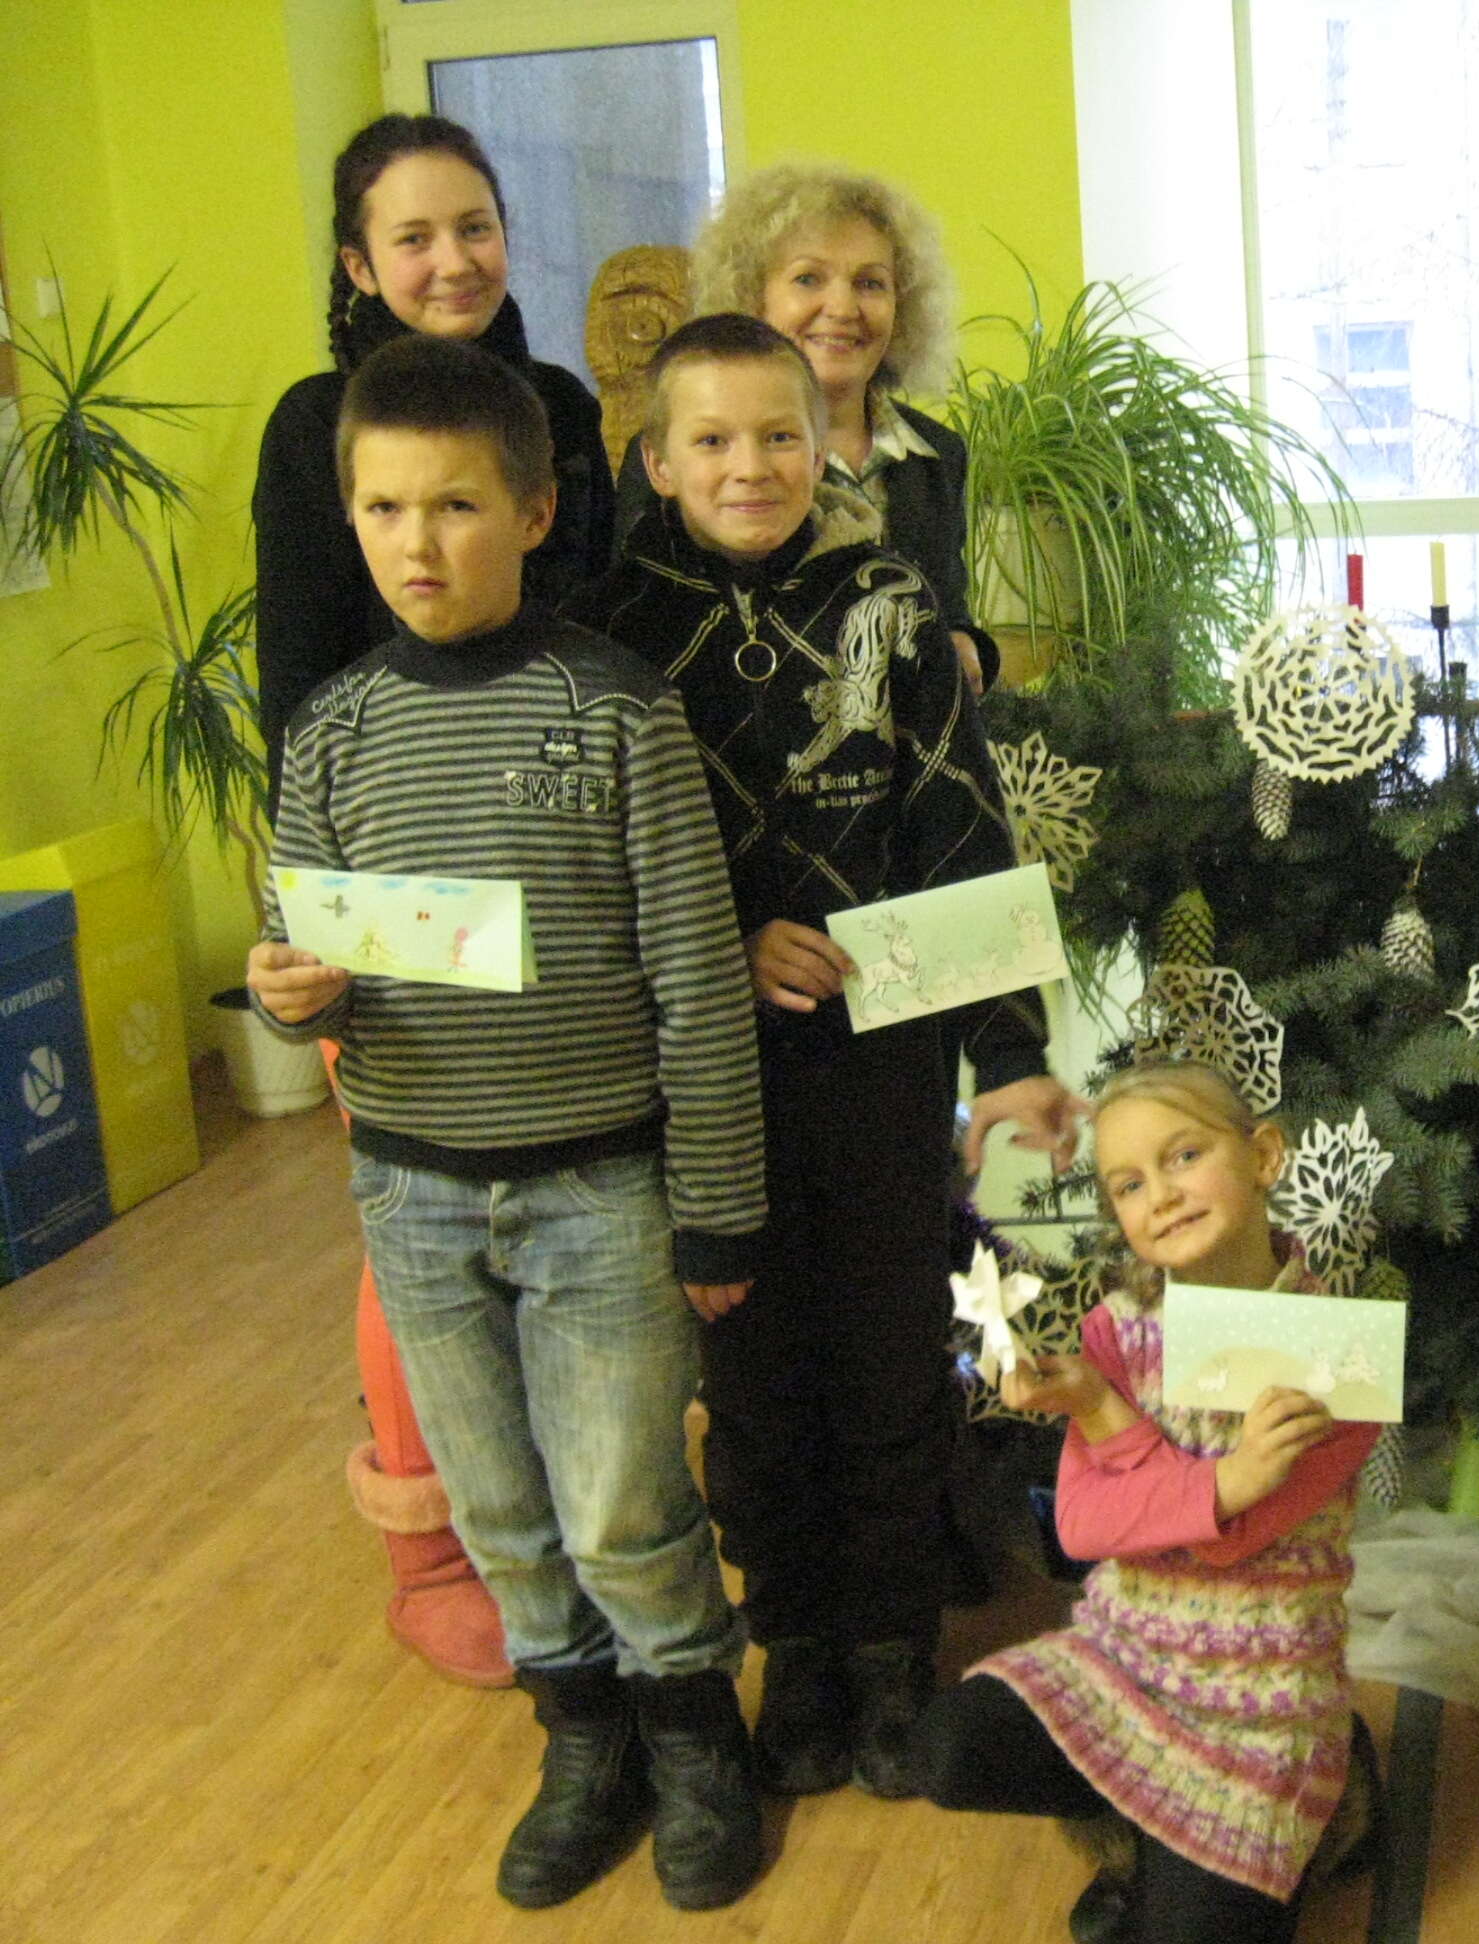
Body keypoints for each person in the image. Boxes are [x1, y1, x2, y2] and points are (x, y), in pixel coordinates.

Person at [245, 335, 768, 1911]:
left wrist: (718, 1207)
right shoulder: (331, 732)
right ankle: (582, 1736)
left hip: (600, 1188)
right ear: (348, 516)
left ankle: (694, 1737)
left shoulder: (614, 711)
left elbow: (698, 978)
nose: (419, 544)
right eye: (385, 509)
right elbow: (310, 970)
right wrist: (292, 995)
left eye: (457, 506)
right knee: (499, 1506)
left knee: (622, 1501)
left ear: (536, 514)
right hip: (413, 1192)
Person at [567, 313, 1087, 1802]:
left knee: (886, 1360)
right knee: (754, 1376)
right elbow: (596, 865)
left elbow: (962, 825)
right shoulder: (610, 634)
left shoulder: (890, 604)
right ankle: (793, 1643)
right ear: (656, 461)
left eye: (779, 436)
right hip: (706, 1078)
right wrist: (728, 941)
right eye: (712, 440)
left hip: (883, 1063)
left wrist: (1010, 1053)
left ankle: (888, 1647)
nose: (750, 466)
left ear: (822, 445)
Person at [252, 112, 617, 1688]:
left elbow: (597, 633)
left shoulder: (564, 413)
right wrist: (333, 916)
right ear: (358, 262)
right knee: (416, 1234)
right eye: (413, 236)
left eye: (475, 224)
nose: (452, 260)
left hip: (558, 871)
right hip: (394, 896)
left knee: (572, 1221)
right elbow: (295, 685)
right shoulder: (312, 425)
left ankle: (567, 1528)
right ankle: (430, 1550)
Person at [910, 1060, 1383, 1944]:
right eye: (1129, 1184)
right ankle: (1140, 1831)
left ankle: (1335, 1799)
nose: (1160, 1196)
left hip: (1261, 1708)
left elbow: (1225, 1545)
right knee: (947, 1750)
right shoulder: (1115, 1330)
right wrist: (1107, 1409)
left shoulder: (1341, 1358)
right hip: (1126, 1664)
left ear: (1263, 1156)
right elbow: (1085, 1527)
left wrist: (1202, 1474)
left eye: (1185, 1156)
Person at [611, 162, 996, 698]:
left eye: (870, 283)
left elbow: (947, 611)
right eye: (808, 278)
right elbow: (639, 626)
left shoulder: (936, 453)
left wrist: (967, 644)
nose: (842, 308)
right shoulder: (683, 454)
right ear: (752, 296)